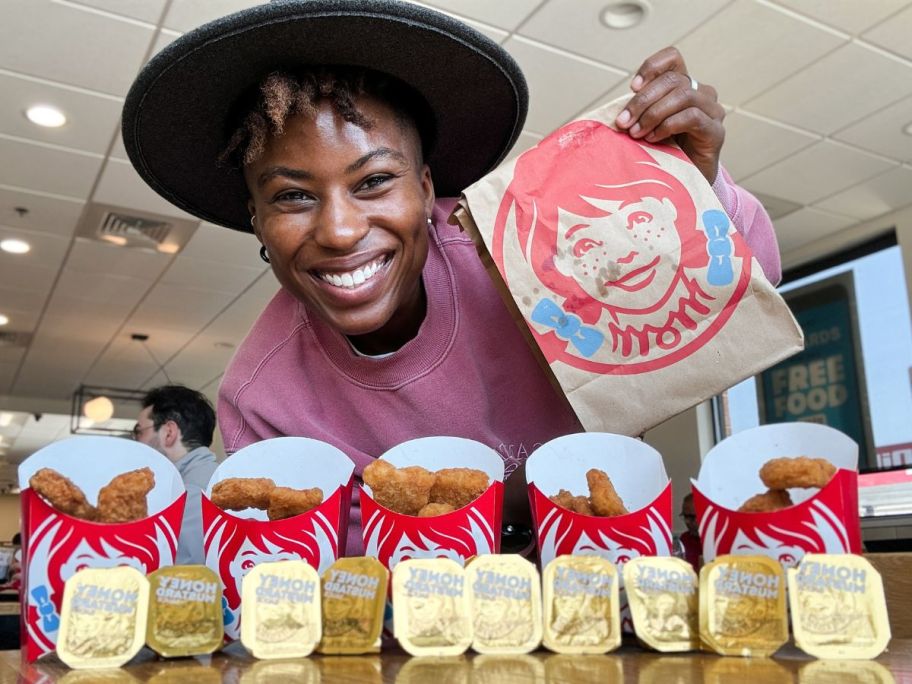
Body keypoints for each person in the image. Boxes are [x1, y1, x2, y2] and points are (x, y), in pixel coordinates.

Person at [121, 1, 781, 555]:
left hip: (613, 578)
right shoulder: (264, 399)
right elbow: (324, 585)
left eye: (376, 181)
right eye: (293, 197)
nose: (342, 230)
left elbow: (740, 300)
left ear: (430, 188)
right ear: (257, 220)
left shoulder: (517, 252)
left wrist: (697, 192)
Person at [133, 385, 218, 564]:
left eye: (139, 431)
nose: (137, 441)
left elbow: (186, 575)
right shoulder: (207, 478)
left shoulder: (191, 492)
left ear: (169, 432)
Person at [679, 493, 702, 572]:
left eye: (691, 517)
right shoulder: (684, 539)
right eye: (685, 516)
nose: (687, 522)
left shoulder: (718, 543)